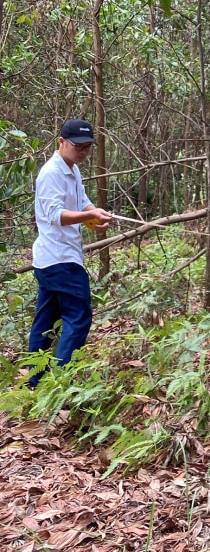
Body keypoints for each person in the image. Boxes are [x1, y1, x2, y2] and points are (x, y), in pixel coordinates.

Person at [27, 119, 114, 387]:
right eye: (79, 146)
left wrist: (94, 219)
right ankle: (61, 384)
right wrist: (87, 215)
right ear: (61, 142)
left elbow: (81, 203)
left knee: (46, 320)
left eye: (88, 147)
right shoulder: (51, 173)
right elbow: (54, 215)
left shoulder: (72, 170)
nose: (84, 152)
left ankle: (34, 380)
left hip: (53, 259)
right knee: (78, 317)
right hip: (60, 260)